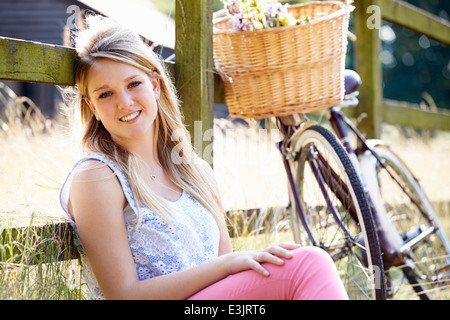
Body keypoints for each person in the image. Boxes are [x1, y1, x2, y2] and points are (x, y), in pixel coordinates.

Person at [60, 15, 348, 300]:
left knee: (297, 262)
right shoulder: (98, 177)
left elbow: (233, 286)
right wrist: (223, 266)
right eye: (105, 94)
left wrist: (231, 266)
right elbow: (124, 295)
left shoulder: (196, 173)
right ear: (92, 107)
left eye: (134, 84)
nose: (124, 102)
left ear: (156, 86)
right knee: (309, 264)